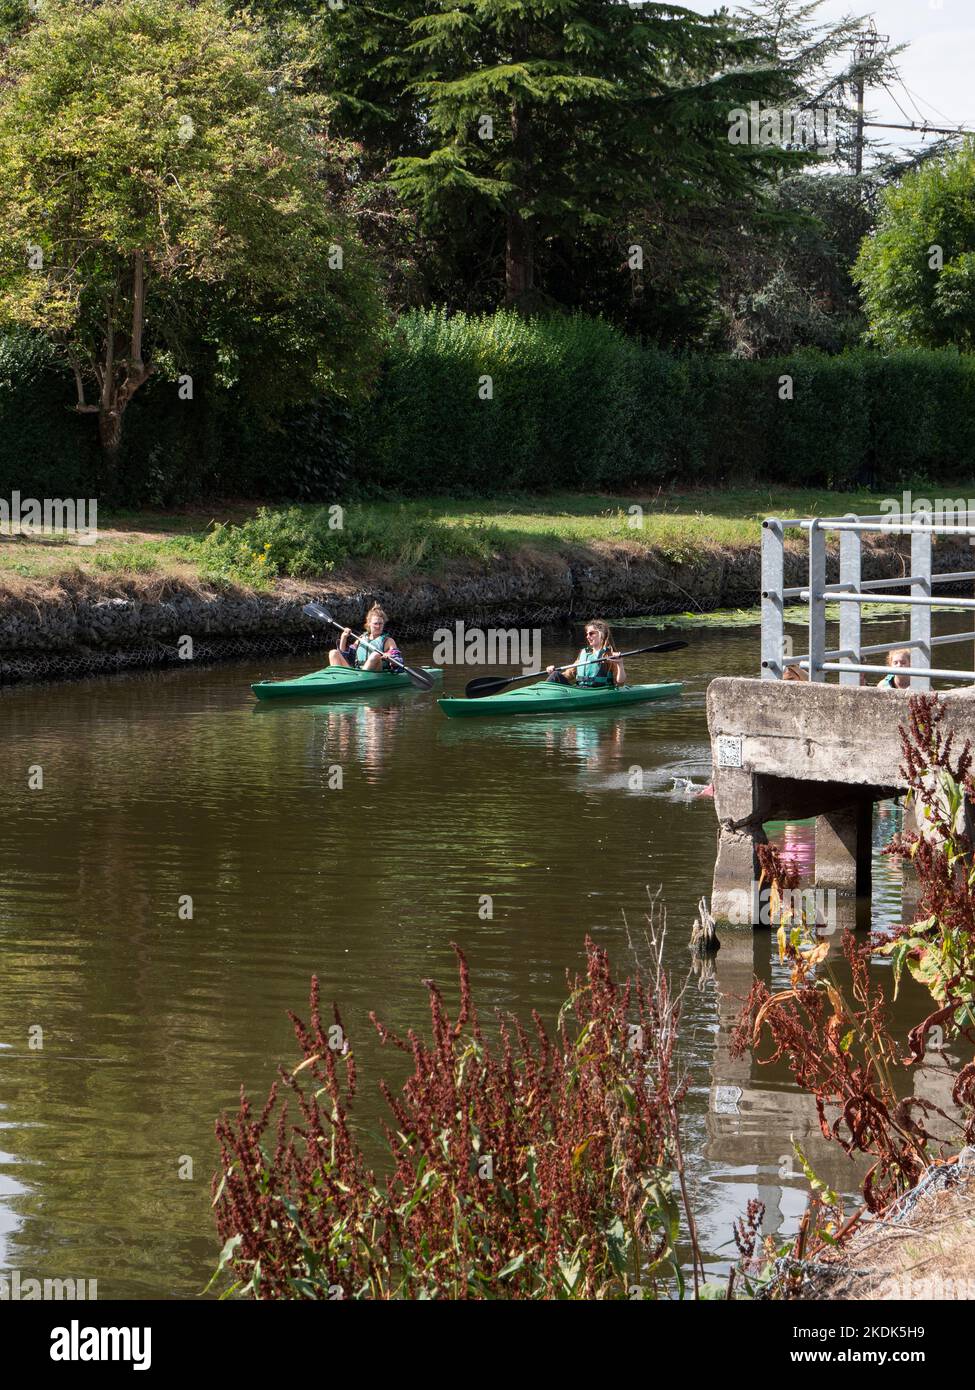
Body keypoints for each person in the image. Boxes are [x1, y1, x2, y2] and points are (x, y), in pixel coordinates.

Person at [546, 619, 626, 687]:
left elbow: (620, 682)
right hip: (580, 689)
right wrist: (552, 673)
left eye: (591, 633)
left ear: (602, 634)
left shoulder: (610, 655)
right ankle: (539, 692)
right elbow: (569, 674)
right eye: (587, 634)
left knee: (555, 675)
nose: (587, 636)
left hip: (599, 691)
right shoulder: (584, 653)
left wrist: (620, 664)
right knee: (555, 675)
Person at [329, 604, 403, 673]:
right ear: (369, 624)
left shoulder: (388, 641)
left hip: (376, 672)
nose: (378, 626)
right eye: (375, 623)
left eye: (380, 623)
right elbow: (345, 657)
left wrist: (390, 656)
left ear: (383, 624)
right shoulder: (361, 639)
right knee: (333, 653)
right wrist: (343, 638)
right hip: (357, 672)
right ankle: (337, 677)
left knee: (375, 655)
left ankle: (361, 678)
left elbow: (398, 660)